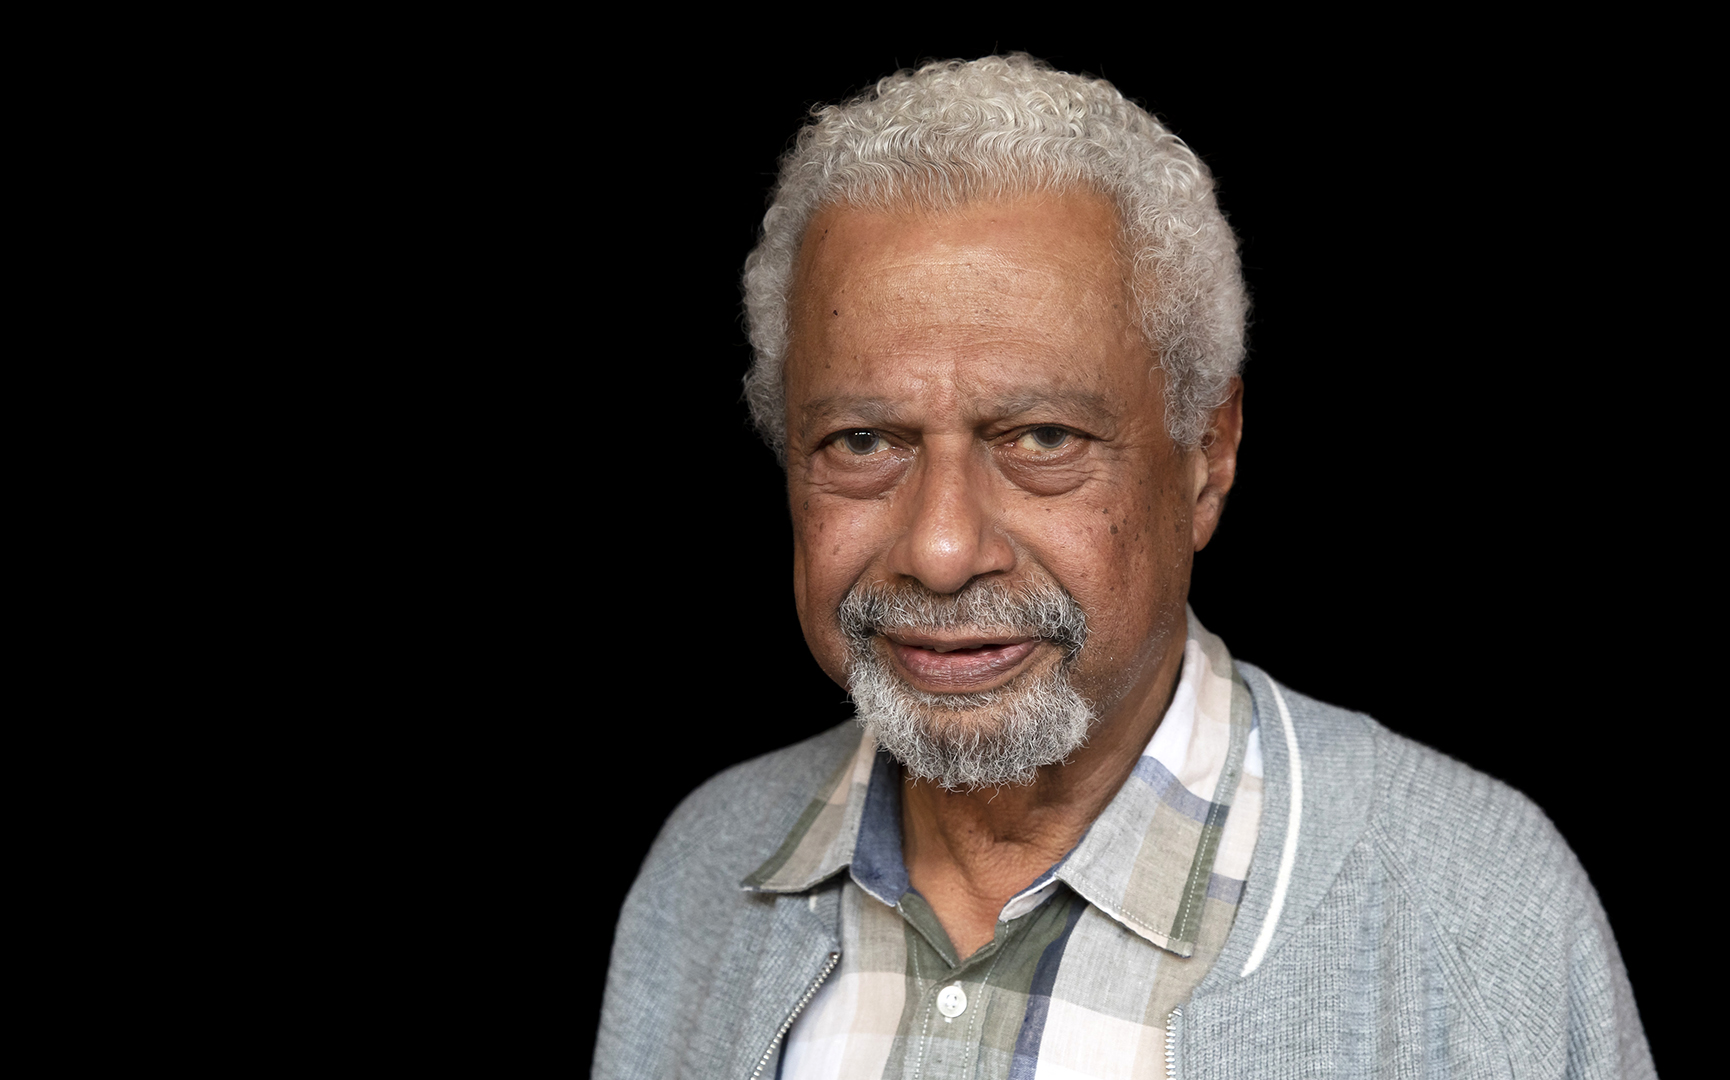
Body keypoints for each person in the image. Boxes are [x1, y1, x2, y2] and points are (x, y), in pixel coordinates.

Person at [594, 54, 1653, 1079]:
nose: (942, 550)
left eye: (1042, 438)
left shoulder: (1479, 910)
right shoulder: (703, 874)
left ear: (1207, 454)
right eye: (863, 441)